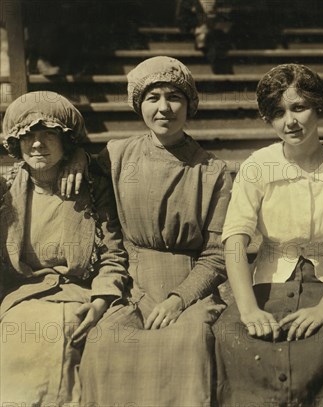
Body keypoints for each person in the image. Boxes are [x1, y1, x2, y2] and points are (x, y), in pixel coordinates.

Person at [212, 63, 323, 405]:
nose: (289, 121)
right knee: (231, 335)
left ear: (317, 106)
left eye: (299, 107)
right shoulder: (258, 165)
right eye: (278, 113)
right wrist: (247, 309)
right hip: (267, 280)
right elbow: (234, 238)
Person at [77, 56, 232, 405]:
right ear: (139, 105)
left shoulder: (212, 171)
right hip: (132, 284)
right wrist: (74, 162)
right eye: (153, 98)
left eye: (174, 97)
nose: (164, 108)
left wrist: (180, 298)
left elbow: (218, 253)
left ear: (189, 104)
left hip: (189, 287)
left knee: (189, 344)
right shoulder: (115, 156)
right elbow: (74, 162)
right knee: (105, 342)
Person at [0, 91, 129, 404]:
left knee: (63, 334)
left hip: (77, 294)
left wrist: (101, 300)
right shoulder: (6, 190)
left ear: (67, 141)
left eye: (48, 135)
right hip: (22, 295)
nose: (37, 144)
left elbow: (113, 255)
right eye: (28, 136)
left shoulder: (91, 186)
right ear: (16, 143)